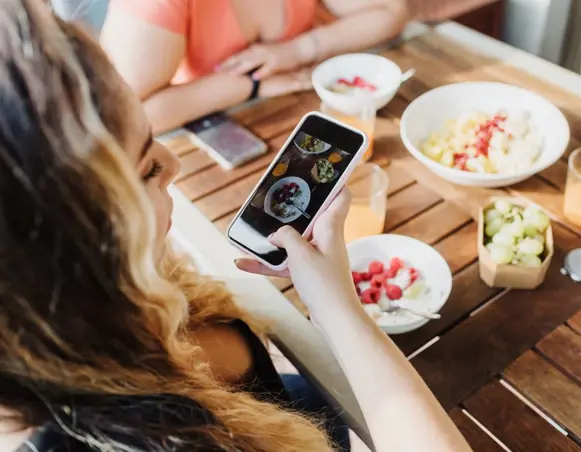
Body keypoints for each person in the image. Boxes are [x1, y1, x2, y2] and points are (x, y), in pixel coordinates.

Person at [0, 1, 471, 451]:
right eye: (145, 169)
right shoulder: (161, 436)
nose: (172, 165)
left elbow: (390, 10)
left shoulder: (122, 296)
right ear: (69, 253)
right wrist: (339, 311)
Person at [99, 0, 409, 134]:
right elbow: (122, 115)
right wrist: (251, 83)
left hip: (295, 115)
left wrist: (296, 49)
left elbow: (391, 11)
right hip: (195, 145)